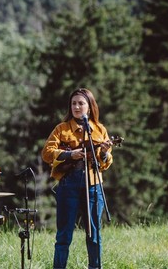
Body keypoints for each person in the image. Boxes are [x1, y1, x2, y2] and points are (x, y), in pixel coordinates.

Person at [41, 88, 113, 269]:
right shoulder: (62, 129)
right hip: (68, 186)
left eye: (81, 103)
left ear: (90, 107)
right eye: (74, 103)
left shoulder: (99, 130)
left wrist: (104, 153)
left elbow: (105, 163)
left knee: (94, 234)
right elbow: (46, 153)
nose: (77, 107)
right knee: (64, 234)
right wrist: (69, 155)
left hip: (93, 185)